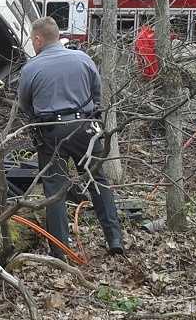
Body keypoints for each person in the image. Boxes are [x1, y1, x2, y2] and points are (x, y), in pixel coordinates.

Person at [17, 16, 124, 257]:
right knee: (97, 181)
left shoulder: (31, 67)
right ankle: (114, 238)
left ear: (38, 39)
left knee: (55, 190)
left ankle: (60, 250)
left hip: (50, 132)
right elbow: (96, 94)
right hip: (85, 128)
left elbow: (26, 104)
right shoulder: (83, 58)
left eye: (32, 41)